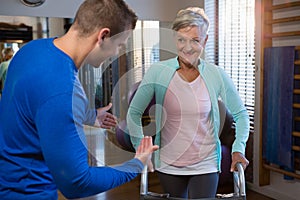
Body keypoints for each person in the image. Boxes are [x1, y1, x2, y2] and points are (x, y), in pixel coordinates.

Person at [0, 0, 159, 199]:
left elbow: (33, 108)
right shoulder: (63, 88)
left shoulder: (30, 50)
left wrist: (88, 115)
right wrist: (136, 165)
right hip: (29, 193)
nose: (116, 53)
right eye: (119, 45)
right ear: (103, 36)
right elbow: (77, 183)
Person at [127, 7, 250, 199]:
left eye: (195, 40)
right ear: (174, 39)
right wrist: (140, 149)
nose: (188, 47)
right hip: (168, 163)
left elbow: (242, 115)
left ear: (205, 41)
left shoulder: (216, 74)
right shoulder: (158, 72)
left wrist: (238, 149)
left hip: (206, 163)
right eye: (181, 40)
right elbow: (134, 113)